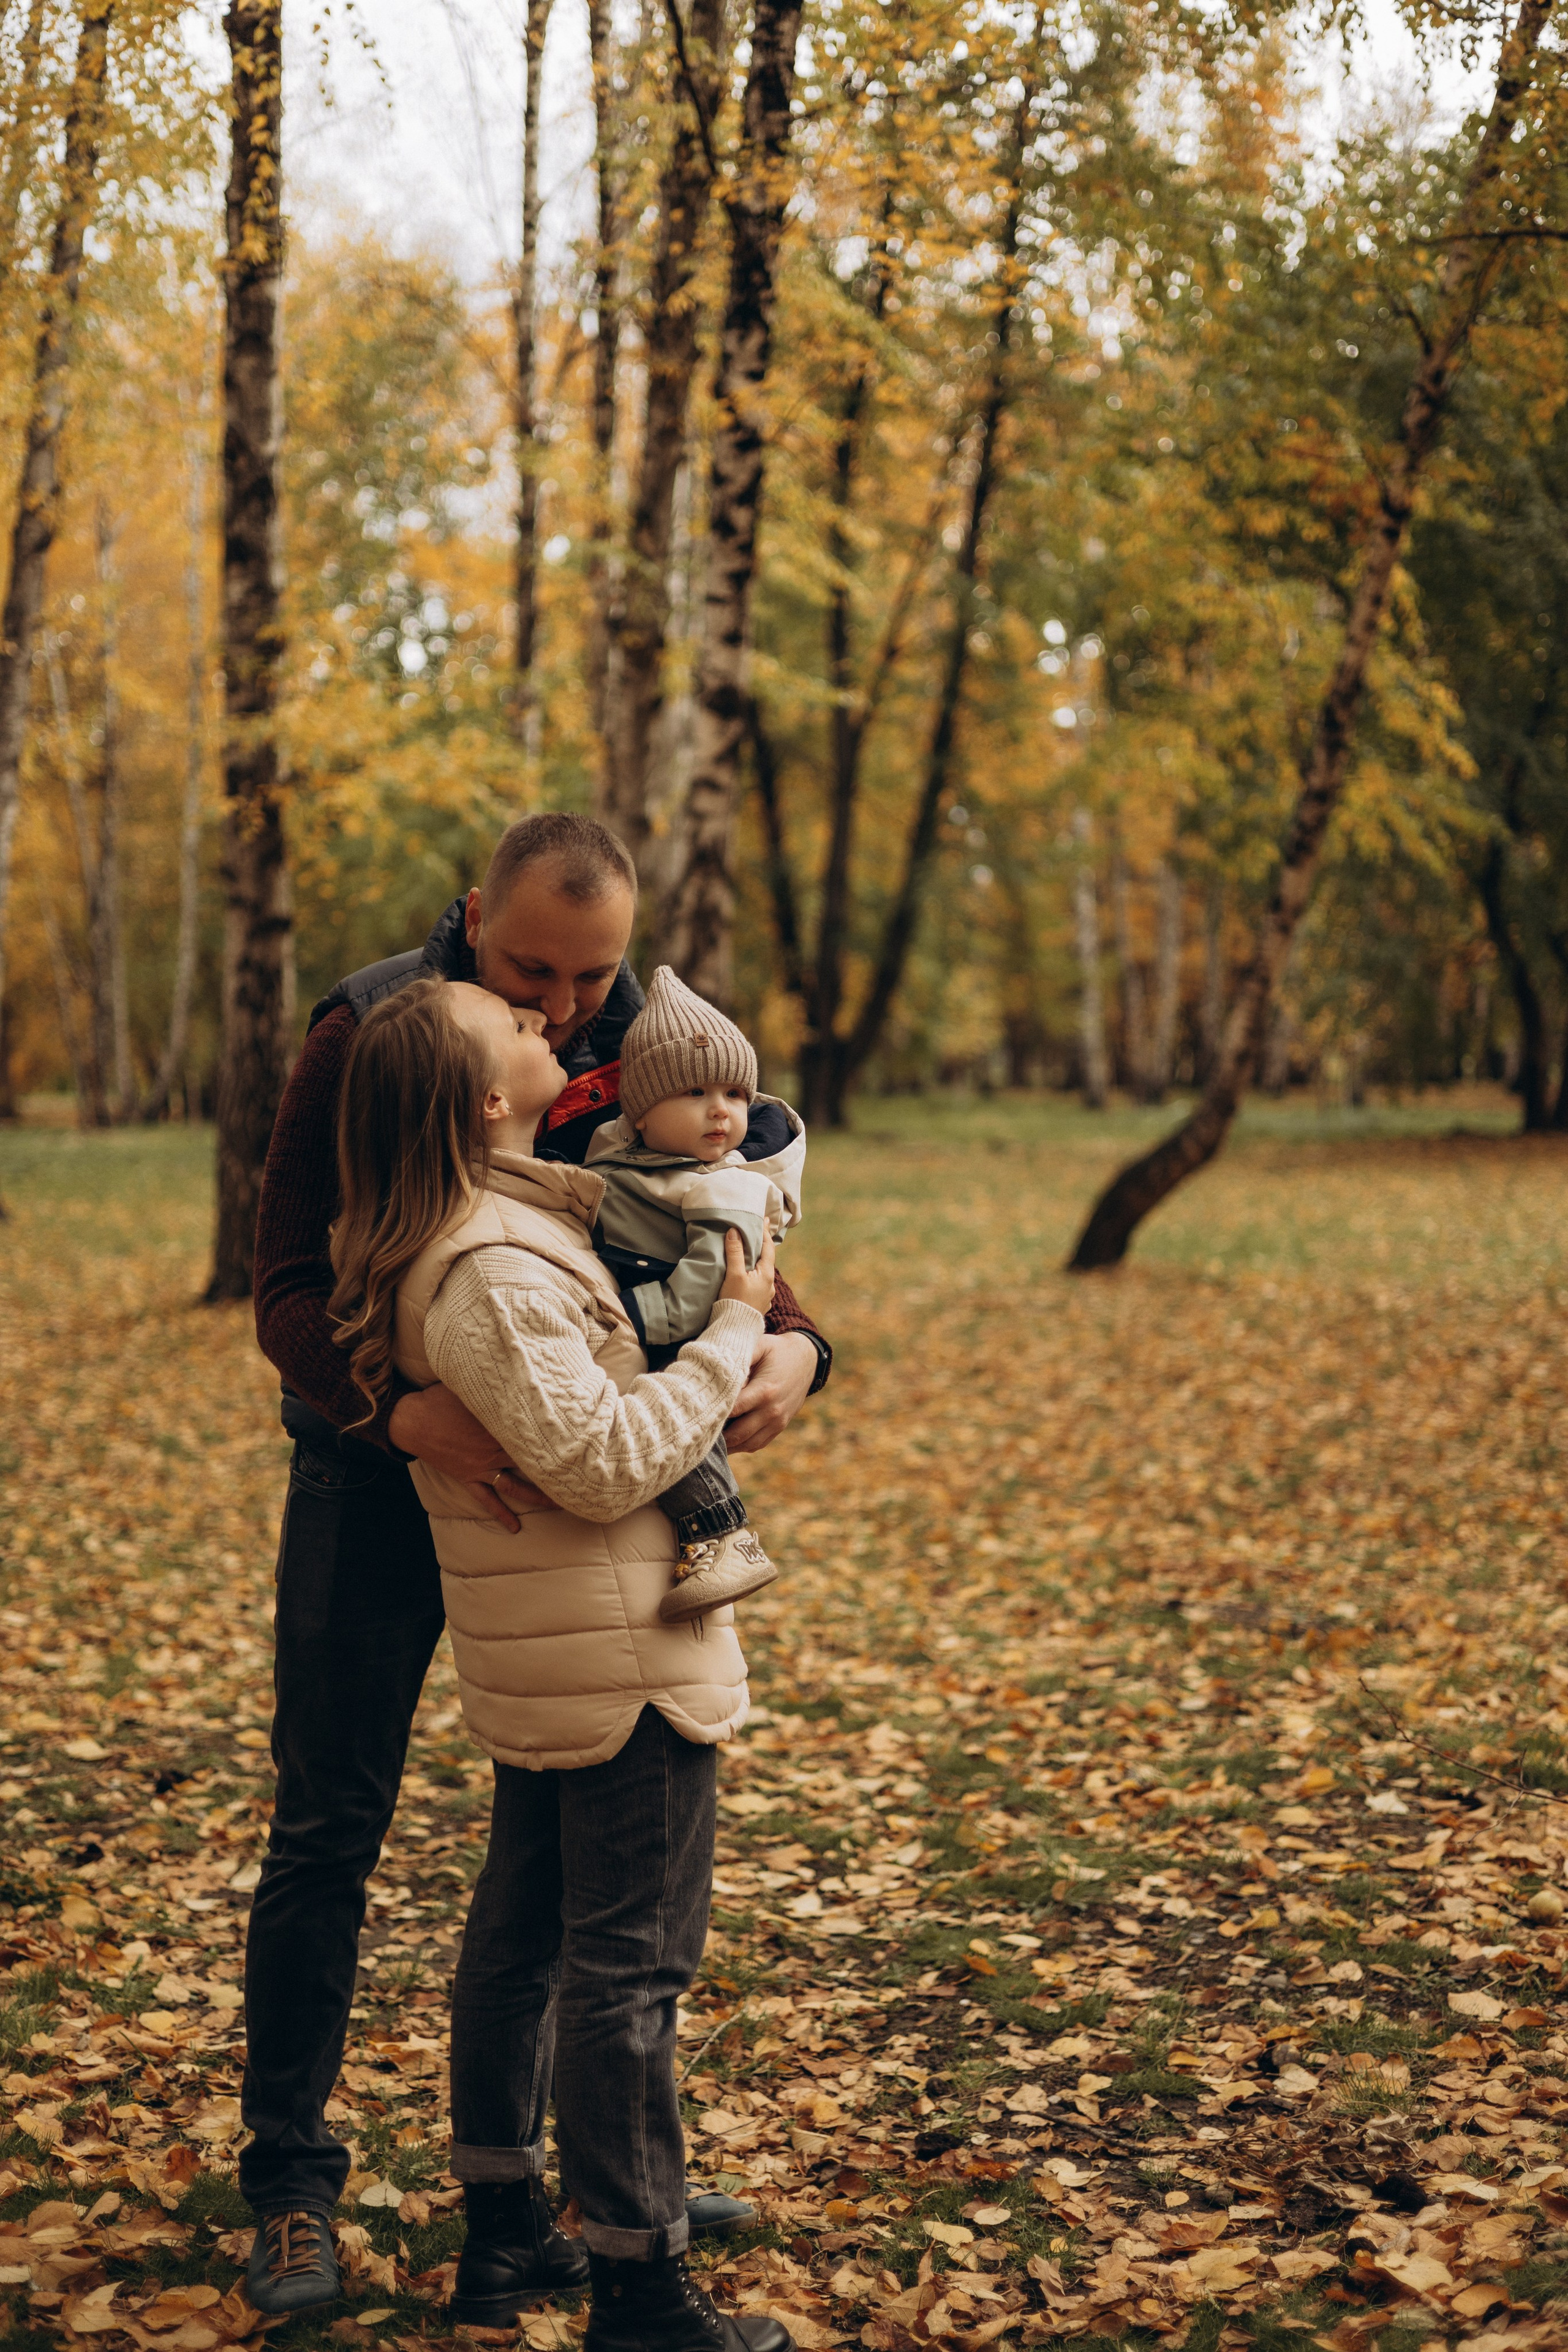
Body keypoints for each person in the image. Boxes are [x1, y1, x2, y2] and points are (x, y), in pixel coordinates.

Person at [244, 813, 829, 2319]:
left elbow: (694, 1210)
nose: (565, 1008)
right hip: (391, 1464)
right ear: (472, 918)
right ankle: (289, 2182)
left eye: (591, 974)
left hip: (577, 1491)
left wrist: (796, 1347)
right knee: (334, 1815)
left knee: (560, 1853)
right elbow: (289, 1280)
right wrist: (392, 1408)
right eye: (531, 973)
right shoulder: (378, 1027)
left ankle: (594, 2165)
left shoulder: (638, 1028)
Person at [325, 974, 788, 2352]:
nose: (547, 1027)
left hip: (566, 1643)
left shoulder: (520, 1209)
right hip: (617, 1651)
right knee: (627, 1971)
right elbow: (597, 1465)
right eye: (516, 1028)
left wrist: (775, 1321)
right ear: (478, 1096)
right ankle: (640, 2285)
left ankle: (508, 2233)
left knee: (524, 1947)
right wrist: (730, 1338)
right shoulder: (491, 1268)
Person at [587, 965, 804, 1622]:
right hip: (647, 1293)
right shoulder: (633, 1158)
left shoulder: (726, 1186)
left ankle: (722, 1532)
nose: (721, 1110)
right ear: (642, 1113)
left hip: (687, 1323)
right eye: (695, 1091)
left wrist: (637, 1319)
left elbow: (717, 1276)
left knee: (675, 1417)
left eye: (737, 1094)